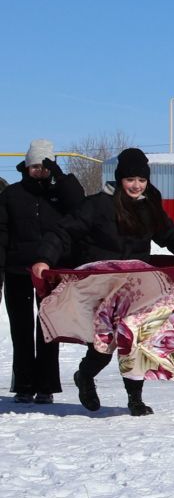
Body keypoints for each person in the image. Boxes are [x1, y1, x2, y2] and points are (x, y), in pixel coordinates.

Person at [31, 147, 174, 414]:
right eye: (130, 179)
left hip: (135, 286)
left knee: (136, 339)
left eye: (142, 180)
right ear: (120, 179)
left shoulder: (149, 208)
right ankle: (85, 376)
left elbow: (169, 233)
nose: (136, 186)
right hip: (102, 284)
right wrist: (44, 258)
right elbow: (63, 232)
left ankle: (134, 399)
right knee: (104, 344)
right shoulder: (97, 205)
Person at [2, 141, 85, 403]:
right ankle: (25, 384)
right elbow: (1, 235)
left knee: (48, 329)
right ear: (26, 167)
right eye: (35, 165)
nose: (40, 170)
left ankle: (46, 386)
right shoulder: (11, 195)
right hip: (18, 270)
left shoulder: (60, 194)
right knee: (22, 329)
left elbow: (80, 204)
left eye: (45, 165)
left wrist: (59, 176)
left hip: (52, 271)